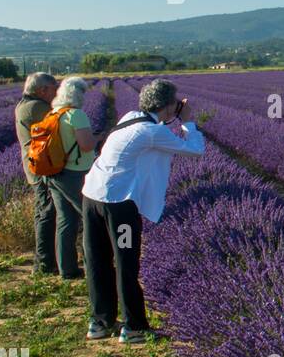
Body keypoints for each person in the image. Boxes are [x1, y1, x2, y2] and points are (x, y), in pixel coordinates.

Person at [81, 79, 204, 343]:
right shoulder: (151, 132)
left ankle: (100, 322)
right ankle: (134, 327)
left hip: (92, 197)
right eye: (175, 102)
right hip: (119, 206)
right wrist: (187, 122)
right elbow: (196, 150)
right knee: (126, 262)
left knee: (98, 260)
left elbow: (152, 137)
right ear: (168, 105)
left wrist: (170, 119)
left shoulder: (130, 118)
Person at [43, 76, 103, 279]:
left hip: (53, 173)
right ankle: (92, 266)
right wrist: (100, 137)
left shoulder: (53, 113)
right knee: (90, 218)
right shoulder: (76, 115)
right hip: (76, 173)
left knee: (65, 220)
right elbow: (87, 145)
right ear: (77, 95)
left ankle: (67, 269)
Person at [14, 72, 59, 274]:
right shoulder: (37, 108)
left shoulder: (24, 105)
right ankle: (44, 264)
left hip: (36, 167)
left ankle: (44, 261)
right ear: (42, 90)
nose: (56, 93)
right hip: (42, 168)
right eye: (53, 89)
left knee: (44, 212)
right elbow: (58, 130)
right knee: (47, 213)